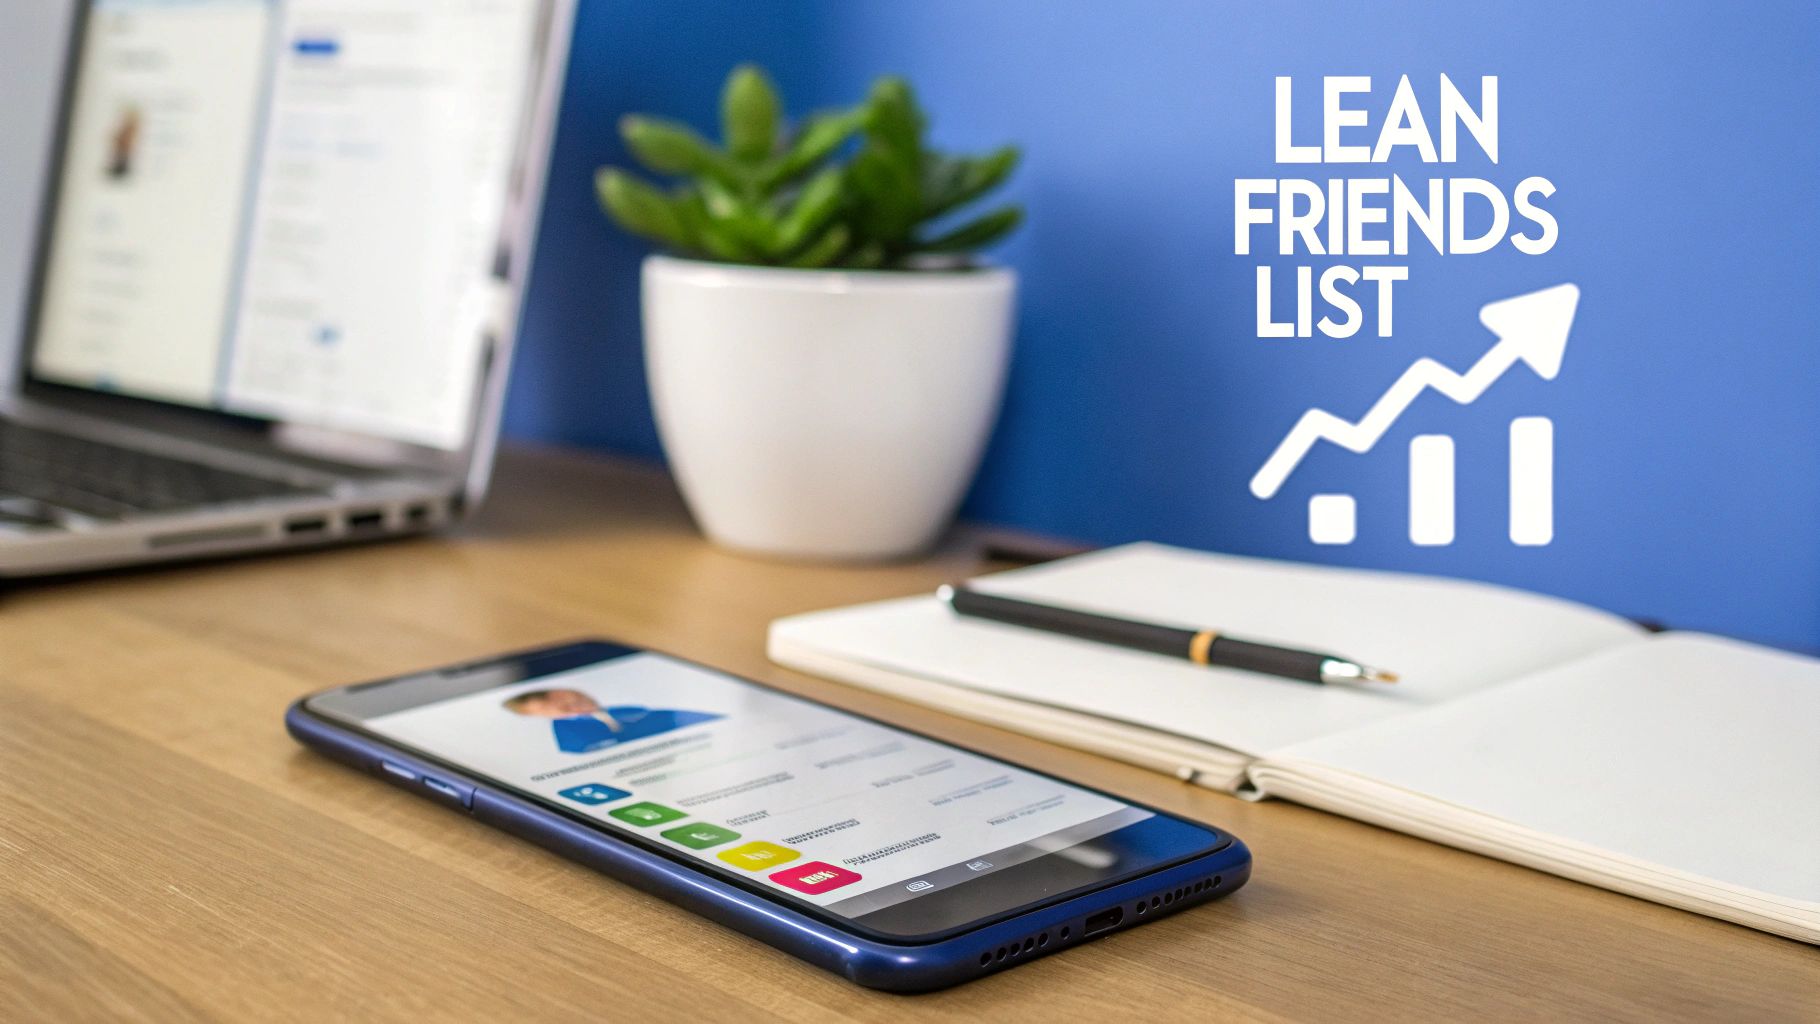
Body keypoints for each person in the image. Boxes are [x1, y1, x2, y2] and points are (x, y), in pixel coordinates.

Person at [502, 688, 719, 754]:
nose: (570, 705)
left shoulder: (639, 708)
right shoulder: (569, 732)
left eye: (564, 697)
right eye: (559, 708)